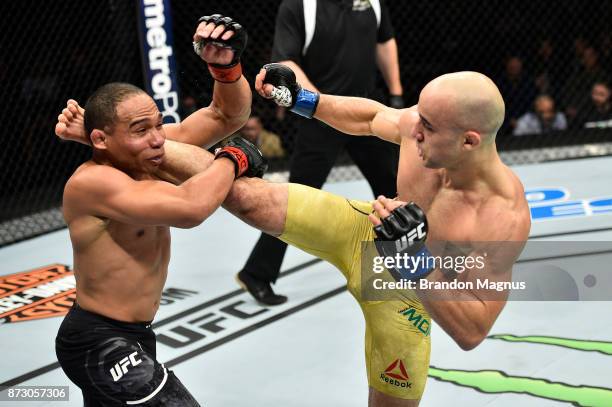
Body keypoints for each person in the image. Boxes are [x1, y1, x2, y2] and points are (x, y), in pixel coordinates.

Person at [57, 67, 531, 406]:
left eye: (427, 129)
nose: (413, 131)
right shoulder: (418, 125)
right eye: (416, 120)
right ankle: (124, 151)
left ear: (469, 140)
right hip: (365, 225)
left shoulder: (500, 214)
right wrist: (303, 99)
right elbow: (369, 118)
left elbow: (472, 329)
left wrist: (414, 259)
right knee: (248, 197)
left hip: (411, 285)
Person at [54, 15, 266, 406]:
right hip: (97, 338)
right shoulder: (92, 183)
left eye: (158, 124)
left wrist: (225, 68)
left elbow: (226, 116)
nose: (157, 139)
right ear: (100, 139)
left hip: (137, 333)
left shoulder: (149, 150)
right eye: (140, 130)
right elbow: (191, 208)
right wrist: (234, 157)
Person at [235, 0, 405, 305]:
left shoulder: (373, 2)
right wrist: (323, 105)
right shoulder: (300, 6)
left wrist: (395, 91)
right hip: (319, 118)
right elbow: (286, 60)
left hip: (368, 112)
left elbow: (384, 40)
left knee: (394, 188)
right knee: (298, 199)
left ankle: (403, 264)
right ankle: (257, 272)